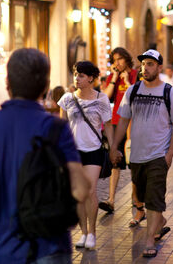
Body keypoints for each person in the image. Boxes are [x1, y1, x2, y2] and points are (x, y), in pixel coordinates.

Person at [0, 48, 90, 263]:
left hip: (6, 247)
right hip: (52, 246)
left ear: (7, 84)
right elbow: (81, 191)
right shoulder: (56, 128)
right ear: (45, 86)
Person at [110, 49, 173, 258]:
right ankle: (159, 221)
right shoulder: (132, 91)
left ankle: (150, 239)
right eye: (144, 64)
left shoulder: (169, 92)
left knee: (154, 198)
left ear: (159, 67)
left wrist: (170, 153)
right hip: (137, 155)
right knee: (141, 197)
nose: (146, 67)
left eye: (151, 64)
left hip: (158, 155)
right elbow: (123, 119)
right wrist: (115, 146)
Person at [58, 61, 114, 250]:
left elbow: (109, 127)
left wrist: (113, 148)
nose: (77, 78)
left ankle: (92, 232)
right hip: (74, 152)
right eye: (75, 74)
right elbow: (63, 127)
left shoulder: (101, 99)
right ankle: (83, 233)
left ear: (91, 78)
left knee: (89, 191)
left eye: (81, 75)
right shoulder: (66, 99)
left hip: (94, 150)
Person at [99, 47, 144, 225]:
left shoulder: (135, 74)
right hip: (117, 121)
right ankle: (111, 200)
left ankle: (136, 200)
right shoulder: (113, 78)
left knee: (133, 161)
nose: (117, 63)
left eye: (120, 59)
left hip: (133, 122)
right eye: (114, 60)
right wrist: (115, 79)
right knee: (115, 161)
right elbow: (105, 97)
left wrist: (127, 80)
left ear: (126, 59)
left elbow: (137, 95)